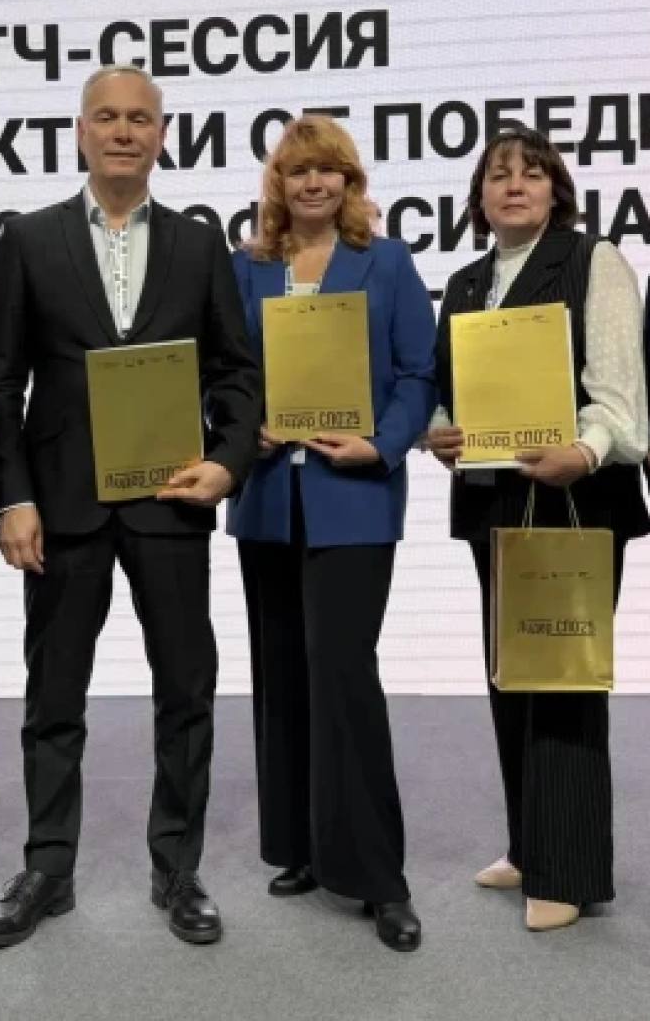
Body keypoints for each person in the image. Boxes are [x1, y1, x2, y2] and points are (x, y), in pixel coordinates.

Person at [0, 64, 261, 948]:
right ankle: (47, 869)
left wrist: (227, 465)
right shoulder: (29, 238)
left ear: (162, 136)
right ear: (81, 132)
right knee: (54, 695)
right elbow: (2, 381)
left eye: (140, 118)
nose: (124, 131)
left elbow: (236, 372)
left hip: (171, 500)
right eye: (107, 117)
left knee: (186, 690)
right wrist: (12, 496)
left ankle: (177, 869)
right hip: (62, 507)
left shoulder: (200, 244)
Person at [426, 128, 648, 931]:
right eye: (498, 175)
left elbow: (620, 392)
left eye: (532, 173)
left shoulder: (595, 262)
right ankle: (529, 845)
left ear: (557, 191)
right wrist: (440, 433)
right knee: (510, 677)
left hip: (576, 499)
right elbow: (445, 393)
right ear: (479, 199)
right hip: (494, 503)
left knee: (562, 679)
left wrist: (583, 451)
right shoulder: (465, 283)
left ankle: (569, 871)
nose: (514, 184)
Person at [227, 115, 436, 951]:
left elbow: (419, 373)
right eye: (297, 171)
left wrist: (381, 444)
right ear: (277, 184)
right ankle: (306, 848)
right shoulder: (248, 268)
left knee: (344, 671)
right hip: (268, 499)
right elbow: (223, 374)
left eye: (328, 170)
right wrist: (243, 429)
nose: (313, 183)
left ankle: (380, 877)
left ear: (350, 183)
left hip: (354, 495)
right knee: (282, 671)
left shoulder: (386, 262)